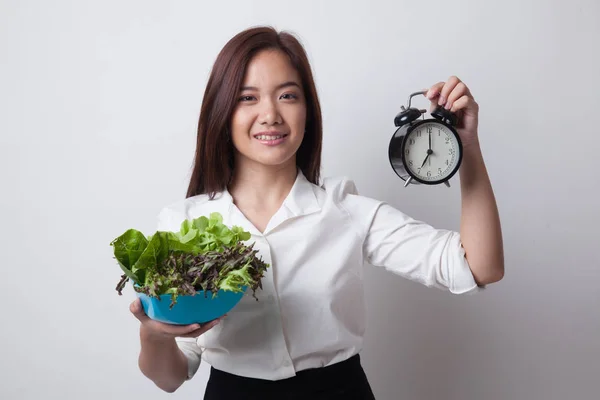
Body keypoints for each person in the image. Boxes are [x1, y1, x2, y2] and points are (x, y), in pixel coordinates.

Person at [128, 26, 504, 399]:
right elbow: (170, 378)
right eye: (248, 98)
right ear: (222, 111)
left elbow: (479, 266)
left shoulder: (346, 210)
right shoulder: (184, 225)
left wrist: (466, 145)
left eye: (287, 95)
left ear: (308, 110)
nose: (270, 114)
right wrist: (154, 331)